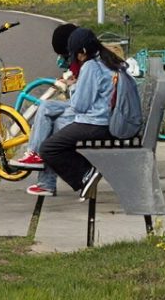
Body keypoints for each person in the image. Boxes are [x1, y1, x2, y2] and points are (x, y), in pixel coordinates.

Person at [40, 27, 123, 201]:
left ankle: (86, 173)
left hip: (95, 124)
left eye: (75, 54)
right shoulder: (106, 59)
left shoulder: (91, 67)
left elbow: (79, 105)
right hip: (105, 120)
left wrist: (72, 87)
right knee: (57, 134)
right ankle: (86, 174)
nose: (74, 58)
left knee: (49, 148)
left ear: (83, 52)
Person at [12, 22, 79, 197]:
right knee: (46, 108)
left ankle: (43, 176)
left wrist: (71, 85)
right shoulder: (83, 61)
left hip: (91, 115)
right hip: (87, 110)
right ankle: (38, 164)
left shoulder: (89, 63)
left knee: (50, 121)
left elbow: (84, 97)